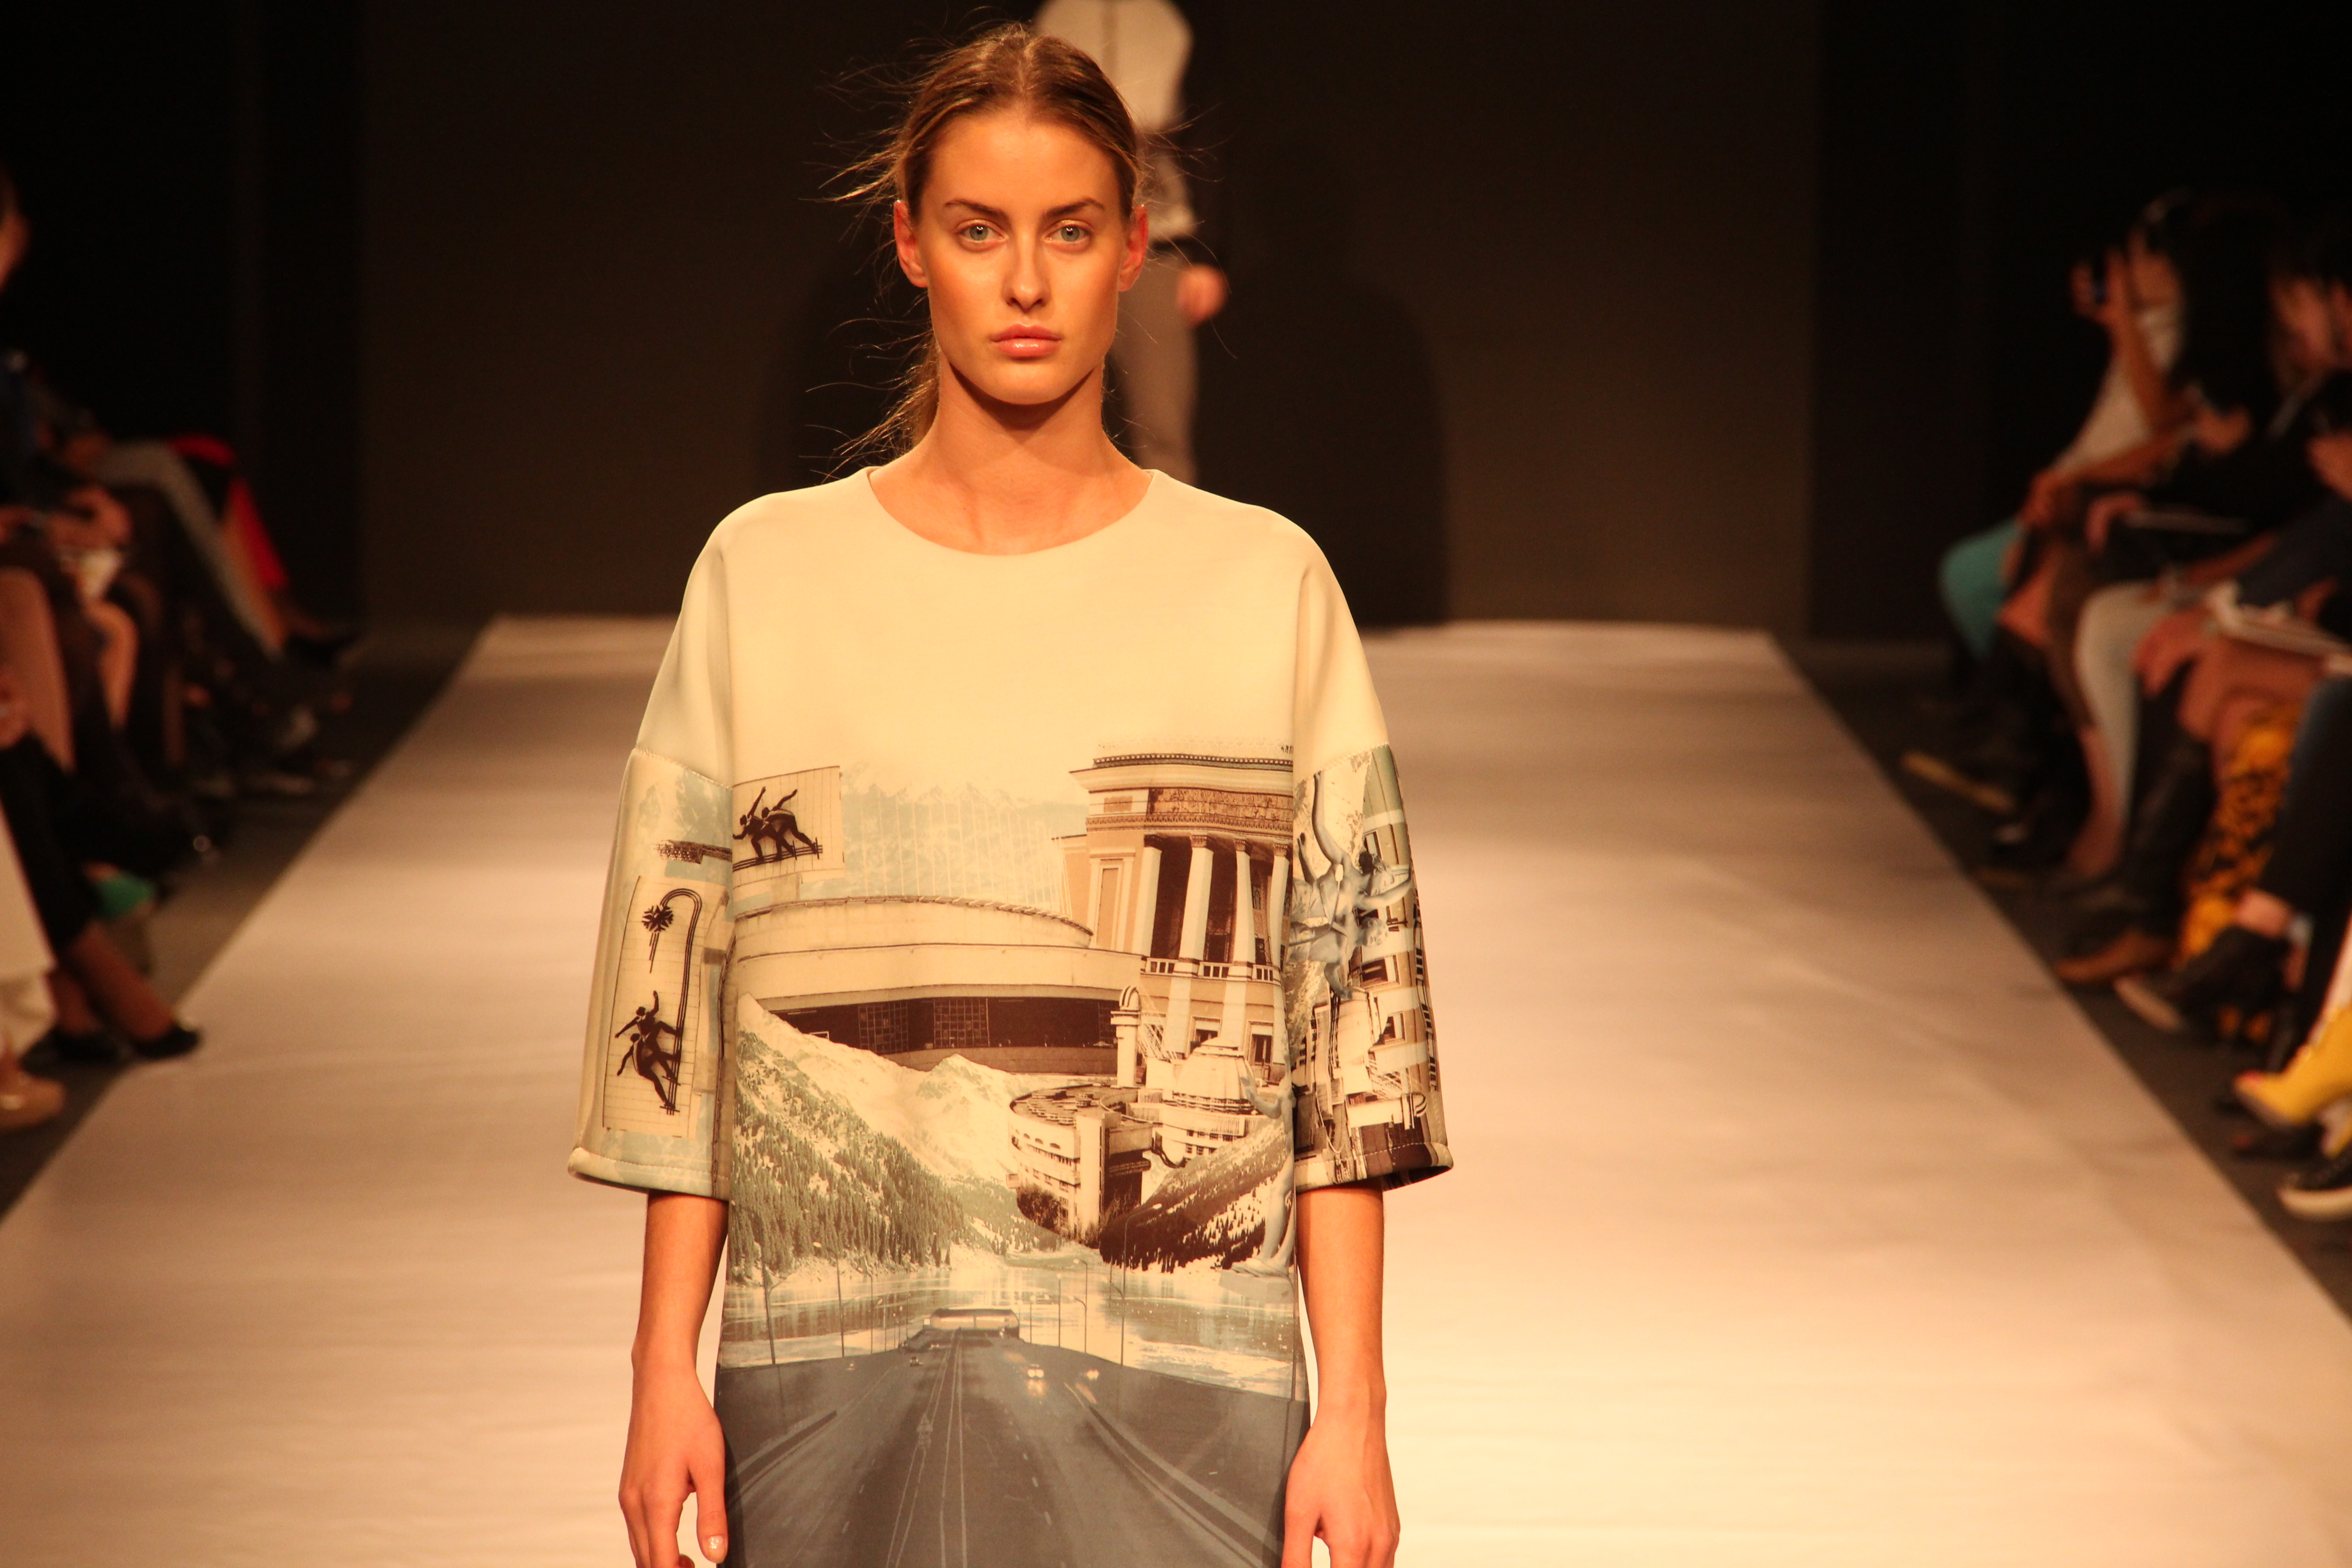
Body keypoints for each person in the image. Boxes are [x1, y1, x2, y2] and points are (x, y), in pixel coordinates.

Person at [571, 26, 1447, 1568]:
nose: (1025, 283)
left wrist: (1357, 1415)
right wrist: (659, 1373)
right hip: (824, 1387)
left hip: (1196, 1389)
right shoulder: (763, 579)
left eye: (1070, 230)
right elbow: (680, 1014)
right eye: (979, 231)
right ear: (910, 243)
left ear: (1135, 249)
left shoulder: (1265, 588)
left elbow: (1347, 1043)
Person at [1034, 0, 1229, 482]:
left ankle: (1169, 535)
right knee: (1043, 424)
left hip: (1156, 245)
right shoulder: (1043, 13)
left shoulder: (1180, 17)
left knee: (1161, 432)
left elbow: (1207, 135)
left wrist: (1207, 253)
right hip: (1052, 248)